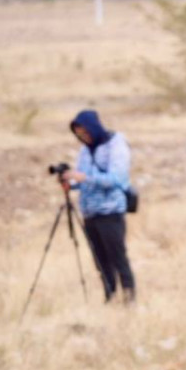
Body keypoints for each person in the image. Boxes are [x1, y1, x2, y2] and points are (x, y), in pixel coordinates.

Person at [62, 109, 136, 303]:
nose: (83, 137)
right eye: (79, 135)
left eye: (85, 132)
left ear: (93, 128)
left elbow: (117, 178)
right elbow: (82, 177)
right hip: (89, 212)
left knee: (118, 256)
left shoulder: (116, 144)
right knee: (100, 260)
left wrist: (84, 178)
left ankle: (129, 297)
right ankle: (109, 296)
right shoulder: (85, 150)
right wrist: (71, 182)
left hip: (110, 210)